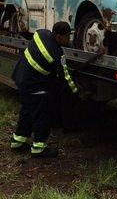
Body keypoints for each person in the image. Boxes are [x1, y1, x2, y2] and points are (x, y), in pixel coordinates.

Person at [10, 21, 78, 158]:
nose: (69, 39)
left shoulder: (41, 34)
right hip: (34, 86)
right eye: (67, 37)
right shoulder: (57, 56)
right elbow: (65, 77)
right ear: (58, 37)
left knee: (27, 111)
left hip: (20, 78)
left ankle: (17, 142)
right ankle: (39, 148)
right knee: (43, 115)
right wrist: (76, 91)